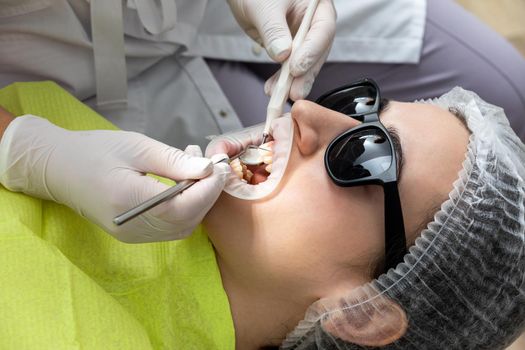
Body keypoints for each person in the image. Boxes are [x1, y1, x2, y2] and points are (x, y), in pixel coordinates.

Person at [0, 78, 523, 349]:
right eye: (360, 106)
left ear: (362, 313)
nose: (308, 113)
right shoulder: (116, 167)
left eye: (364, 152)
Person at [1, 0, 525, 244]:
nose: (313, 109)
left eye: (367, 121)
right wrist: (24, 148)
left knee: (507, 94)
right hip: (58, 62)